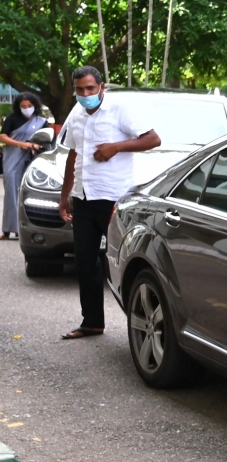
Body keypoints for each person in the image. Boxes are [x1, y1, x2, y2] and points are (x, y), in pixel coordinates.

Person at [58, 66, 161, 340]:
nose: (85, 94)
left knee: (122, 262)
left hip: (114, 199)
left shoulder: (119, 110)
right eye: (80, 89)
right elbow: (72, 156)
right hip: (83, 198)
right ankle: (92, 322)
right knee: (85, 262)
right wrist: (65, 195)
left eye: (90, 88)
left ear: (101, 87)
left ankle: (141, 324)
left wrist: (116, 147)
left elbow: (153, 139)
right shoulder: (76, 114)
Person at [1, 92, 51, 240]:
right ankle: (8, 229)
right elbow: (3, 136)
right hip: (13, 157)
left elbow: (47, 139)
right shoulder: (12, 118)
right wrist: (21, 144)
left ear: (34, 105)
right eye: (23, 106)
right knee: (11, 191)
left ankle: (28, 229)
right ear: (18, 107)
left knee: (31, 192)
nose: (26, 108)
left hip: (33, 158)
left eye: (29, 106)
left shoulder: (41, 121)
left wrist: (36, 145)